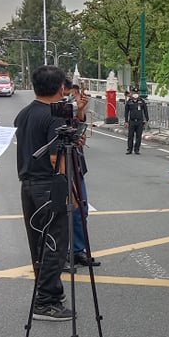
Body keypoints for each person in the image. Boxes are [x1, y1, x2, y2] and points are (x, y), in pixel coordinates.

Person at [14, 65, 74, 321]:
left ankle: (45, 293)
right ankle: (47, 301)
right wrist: (69, 190)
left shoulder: (24, 113)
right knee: (55, 244)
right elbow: (55, 157)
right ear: (61, 88)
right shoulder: (54, 116)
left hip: (28, 185)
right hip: (48, 185)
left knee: (39, 242)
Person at [66, 80, 98, 270]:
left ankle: (78, 250)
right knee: (66, 211)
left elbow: (79, 126)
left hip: (77, 165)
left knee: (81, 210)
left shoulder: (76, 113)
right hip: (62, 168)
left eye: (75, 96)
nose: (73, 100)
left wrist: (80, 110)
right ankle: (62, 253)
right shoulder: (53, 114)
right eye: (69, 96)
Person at [124, 86, 148, 154]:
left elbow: (145, 110)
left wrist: (146, 119)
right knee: (130, 136)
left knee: (138, 136)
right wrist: (126, 121)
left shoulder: (141, 101)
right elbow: (126, 112)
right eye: (134, 92)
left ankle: (137, 149)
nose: (135, 94)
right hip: (131, 121)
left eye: (137, 92)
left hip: (140, 121)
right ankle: (129, 149)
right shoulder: (129, 101)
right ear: (132, 93)